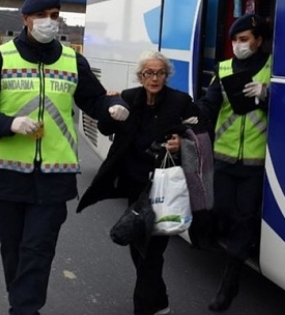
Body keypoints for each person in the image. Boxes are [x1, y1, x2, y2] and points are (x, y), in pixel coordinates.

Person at [0, 0, 130, 315]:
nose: (50, 22)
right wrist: (9, 124)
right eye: (43, 16)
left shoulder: (72, 60)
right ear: (26, 19)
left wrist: (115, 106)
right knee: (13, 250)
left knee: (38, 249)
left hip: (54, 177)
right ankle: (22, 305)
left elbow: (94, 99)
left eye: (55, 16)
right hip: (6, 176)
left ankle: (24, 310)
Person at [77, 50, 200, 315]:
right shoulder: (129, 97)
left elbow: (201, 131)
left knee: (152, 251)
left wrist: (184, 142)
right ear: (140, 76)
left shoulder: (180, 101)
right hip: (134, 184)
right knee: (138, 246)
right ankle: (160, 300)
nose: (154, 78)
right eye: (149, 73)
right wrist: (111, 112)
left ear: (166, 75)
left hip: (163, 187)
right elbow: (105, 129)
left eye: (159, 73)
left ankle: (143, 308)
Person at [196, 13, 272, 312]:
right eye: (235, 41)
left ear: (258, 40)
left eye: (244, 40)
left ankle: (229, 285)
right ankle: (229, 260)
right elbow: (210, 102)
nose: (238, 45)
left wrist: (267, 95)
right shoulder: (225, 68)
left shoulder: (273, 68)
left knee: (244, 221)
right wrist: (194, 114)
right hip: (224, 158)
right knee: (221, 212)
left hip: (255, 162)